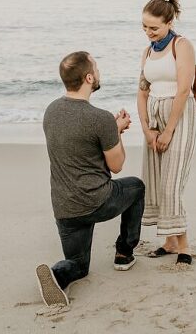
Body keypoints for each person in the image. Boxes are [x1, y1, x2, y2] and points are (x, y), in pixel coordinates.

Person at [35, 51, 145, 308]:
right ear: (88, 77)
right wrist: (116, 132)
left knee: (79, 266)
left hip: (65, 209)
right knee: (137, 187)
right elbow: (116, 166)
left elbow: (80, 146)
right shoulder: (100, 118)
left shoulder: (51, 111)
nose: (98, 71)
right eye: (96, 68)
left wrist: (111, 130)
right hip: (97, 201)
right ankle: (124, 254)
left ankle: (58, 274)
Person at [138, 0, 196, 266]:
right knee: (156, 181)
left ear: (169, 22)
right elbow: (142, 92)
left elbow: (184, 89)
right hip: (153, 115)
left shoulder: (182, 45)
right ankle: (170, 242)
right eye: (144, 27)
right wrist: (147, 129)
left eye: (154, 27)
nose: (148, 32)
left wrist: (169, 129)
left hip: (179, 114)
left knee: (171, 182)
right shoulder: (147, 52)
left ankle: (183, 246)